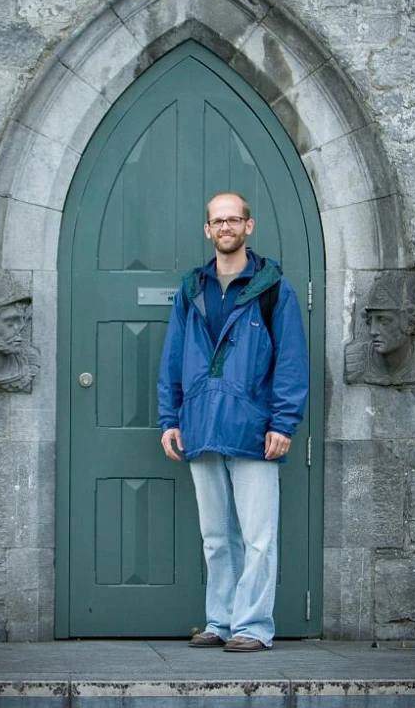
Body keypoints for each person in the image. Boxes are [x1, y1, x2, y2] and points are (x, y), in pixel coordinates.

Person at [157, 192, 308, 652]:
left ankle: (253, 627)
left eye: (234, 220)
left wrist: (283, 424)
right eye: (217, 221)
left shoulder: (274, 289)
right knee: (216, 537)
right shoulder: (191, 289)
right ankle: (219, 621)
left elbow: (292, 362)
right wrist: (170, 418)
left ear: (249, 226)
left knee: (259, 537)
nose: (226, 227)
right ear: (207, 230)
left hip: (254, 430)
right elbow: (172, 359)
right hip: (200, 426)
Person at [345, 271, 415, 385]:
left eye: (384, 321)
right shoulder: (355, 364)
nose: (373, 331)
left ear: (409, 324)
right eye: (370, 320)